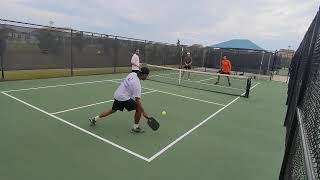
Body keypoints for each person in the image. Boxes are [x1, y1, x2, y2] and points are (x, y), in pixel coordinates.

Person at [89, 67, 150, 133]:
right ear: (144, 75)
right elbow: (137, 100)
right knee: (139, 109)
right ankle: (136, 127)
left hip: (118, 94)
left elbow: (128, 86)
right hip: (123, 97)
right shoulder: (137, 85)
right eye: (147, 75)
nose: (147, 77)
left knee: (113, 110)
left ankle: (95, 119)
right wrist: (144, 112)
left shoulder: (132, 74)